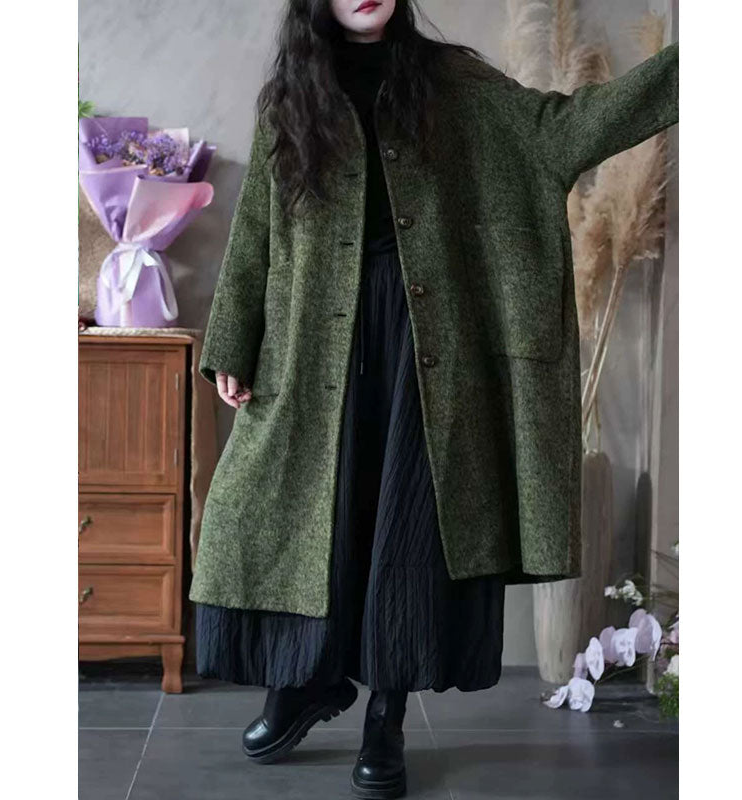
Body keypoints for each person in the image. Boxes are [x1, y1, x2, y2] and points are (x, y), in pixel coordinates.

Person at [190, 2, 679, 798]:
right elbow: (258, 233)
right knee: (316, 521)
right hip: (313, 347)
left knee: (406, 534)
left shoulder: (456, 86)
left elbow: (562, 132)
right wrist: (232, 344)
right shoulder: (291, 97)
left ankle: (385, 717)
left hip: (428, 349)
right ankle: (308, 682)